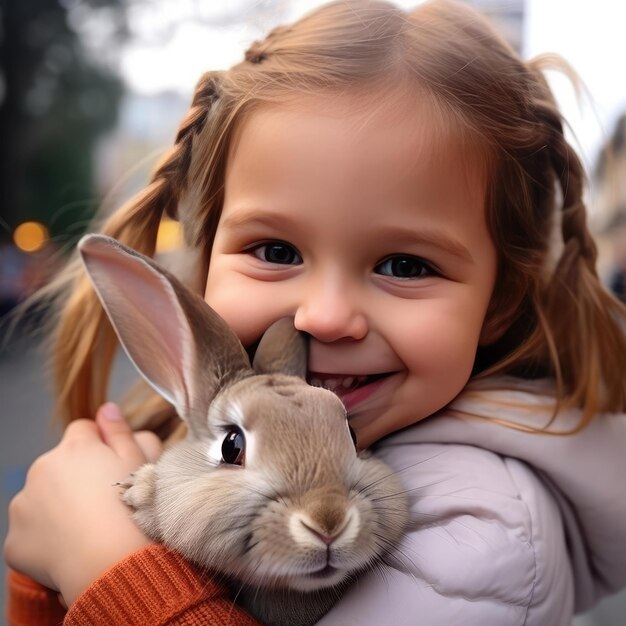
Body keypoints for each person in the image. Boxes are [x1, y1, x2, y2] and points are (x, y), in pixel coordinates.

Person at [5, 0, 626, 624]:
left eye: (405, 266)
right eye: (276, 251)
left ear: (497, 304)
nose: (324, 317)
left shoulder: (482, 528)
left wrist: (108, 566)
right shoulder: (217, 433)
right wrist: (44, 585)